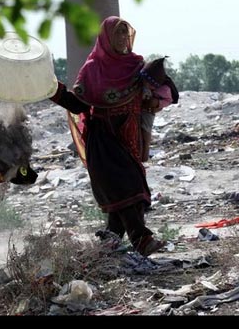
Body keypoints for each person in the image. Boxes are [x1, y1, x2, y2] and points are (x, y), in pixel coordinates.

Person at [48, 16, 167, 257]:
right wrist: (51, 88)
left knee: (123, 196)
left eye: (126, 34)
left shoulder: (137, 66)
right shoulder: (93, 69)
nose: (123, 39)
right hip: (102, 140)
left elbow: (161, 93)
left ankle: (107, 246)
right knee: (127, 187)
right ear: (106, 39)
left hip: (130, 138)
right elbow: (77, 103)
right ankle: (141, 239)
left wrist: (154, 100)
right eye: (118, 34)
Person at [139, 56, 179, 162]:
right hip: (137, 111)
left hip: (149, 112)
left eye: (150, 84)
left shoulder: (164, 90)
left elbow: (168, 100)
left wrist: (157, 103)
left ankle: (144, 158)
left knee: (145, 134)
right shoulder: (141, 83)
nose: (146, 85)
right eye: (145, 81)